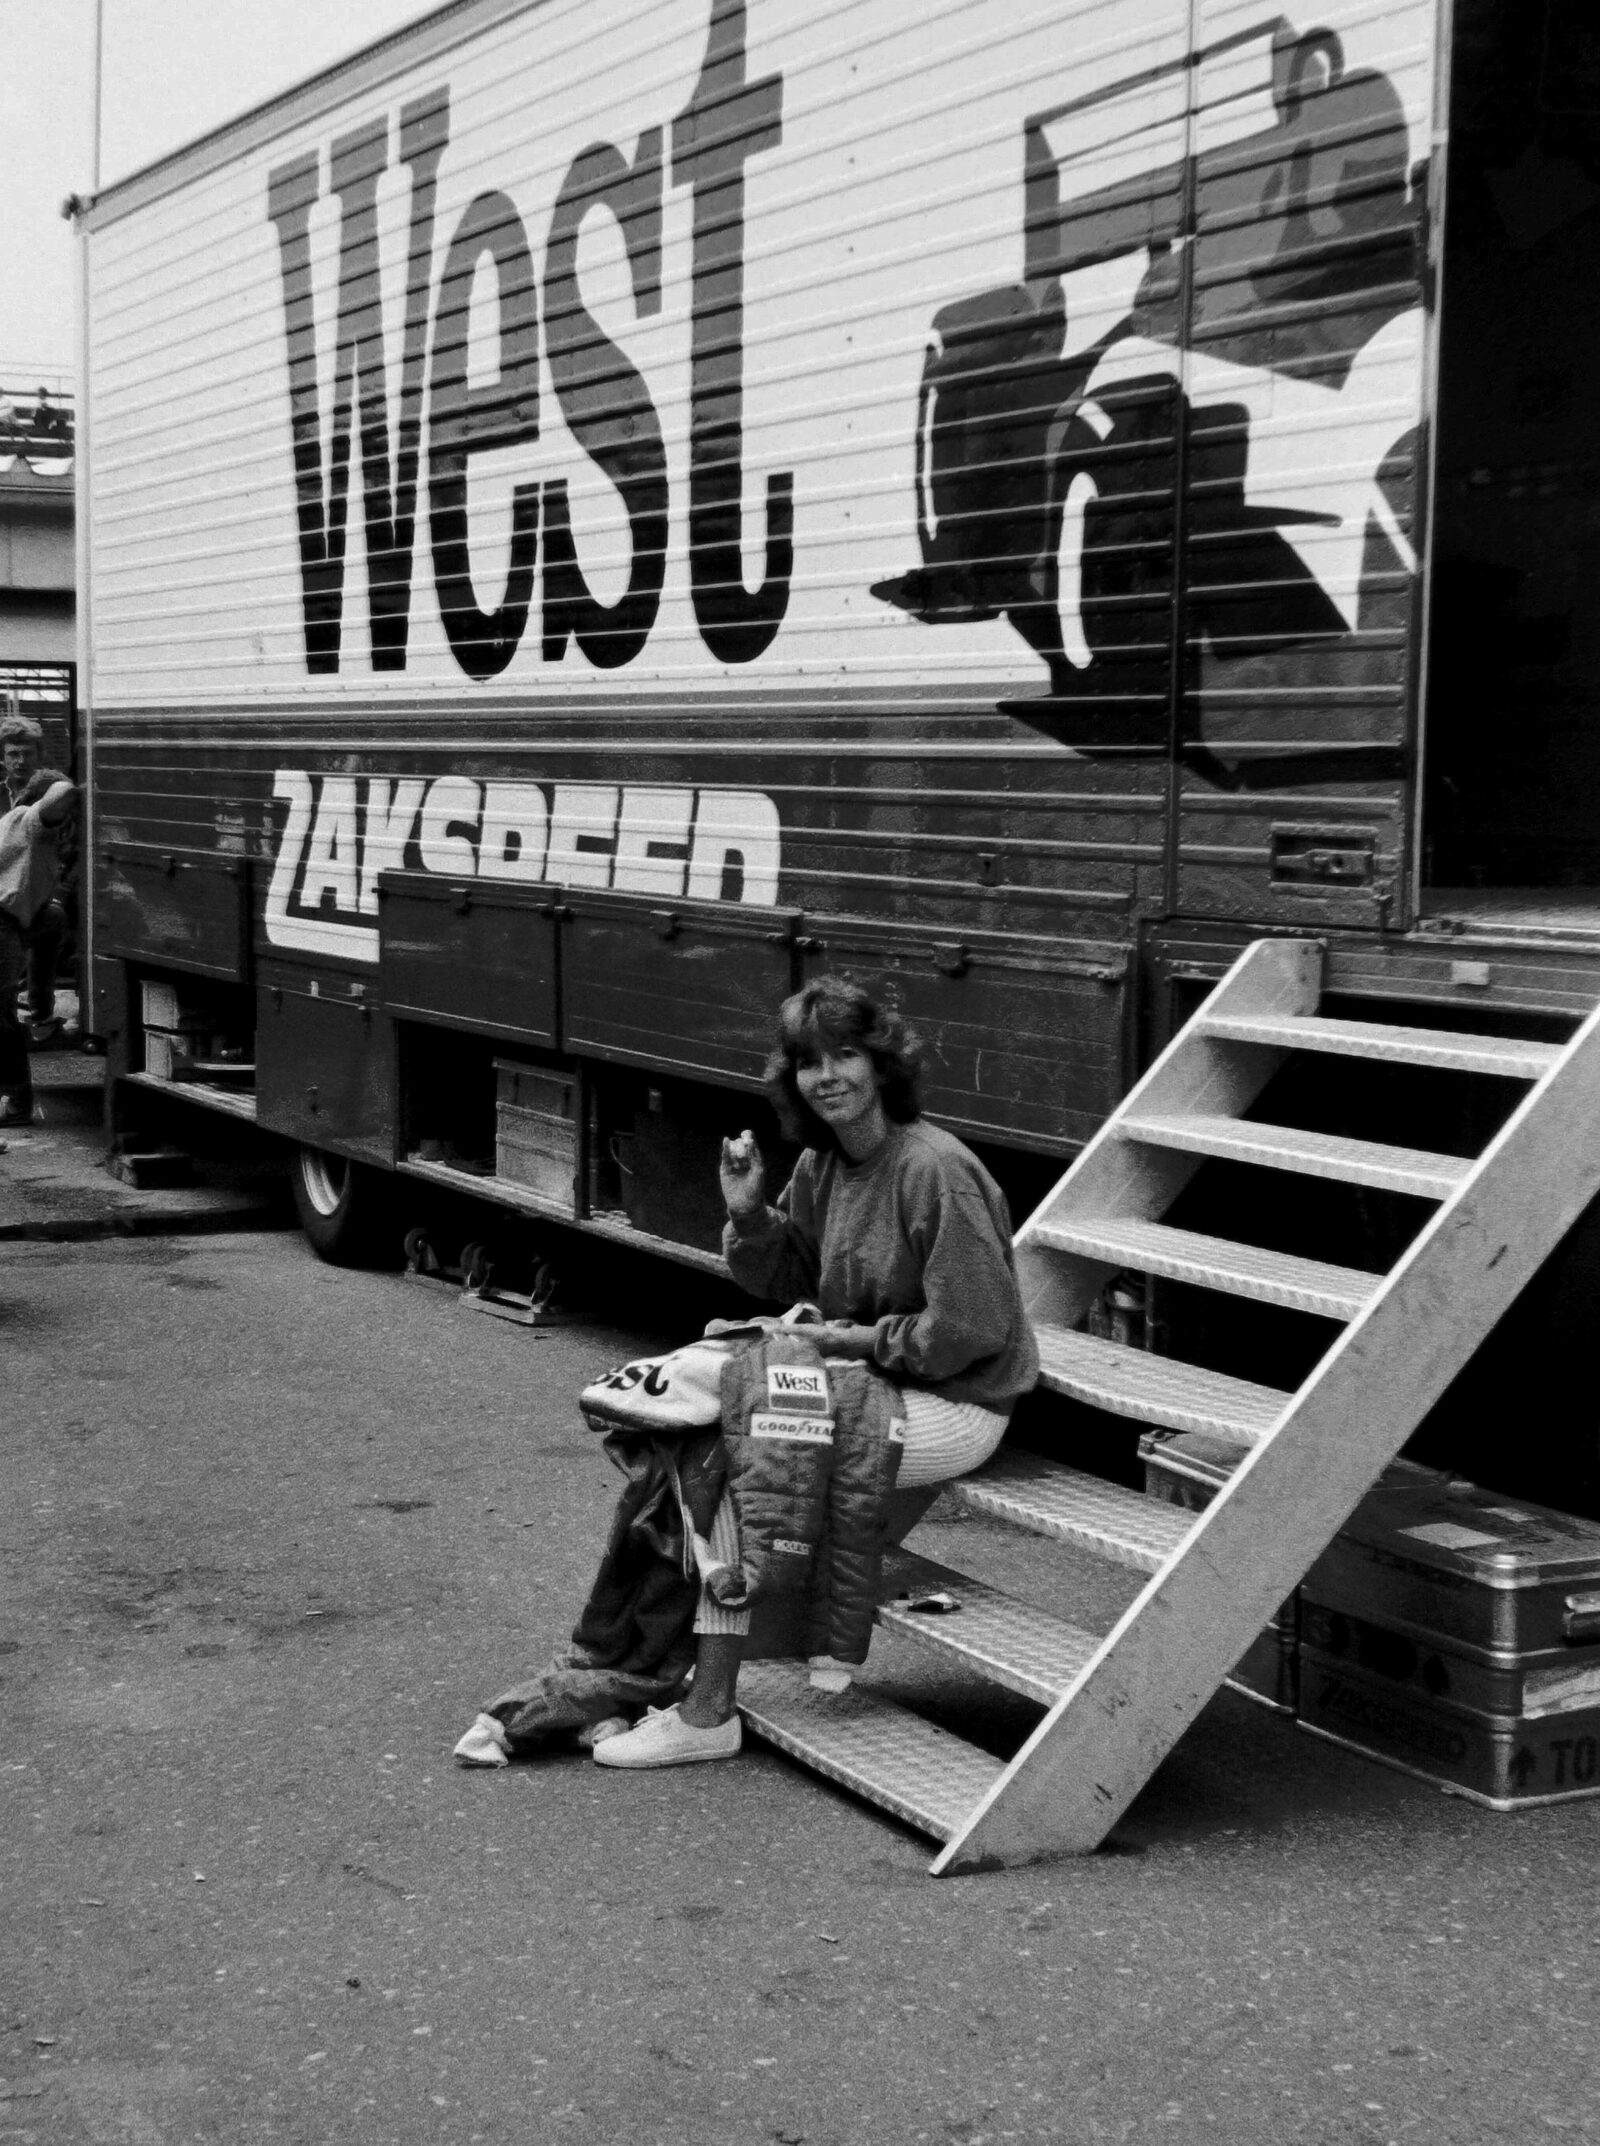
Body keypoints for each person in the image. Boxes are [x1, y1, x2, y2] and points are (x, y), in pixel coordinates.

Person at [593, 976, 1040, 1769]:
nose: (827, 1076)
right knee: (700, 1443)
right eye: (809, 1061)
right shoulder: (822, 1164)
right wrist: (747, 1213)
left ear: (882, 1064)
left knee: (740, 1451)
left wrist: (848, 1341)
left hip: (957, 1401)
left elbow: (970, 1331)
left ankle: (707, 1710)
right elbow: (787, 1279)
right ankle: (645, 1668)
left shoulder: (935, 1169)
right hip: (871, 1382)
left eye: (845, 1055)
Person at [0, 766, 78, 1125]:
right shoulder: (31, 822)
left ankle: (40, 1013)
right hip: (3, 920)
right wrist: (78, 785)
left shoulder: (14, 822)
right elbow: (62, 793)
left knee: (53, 918)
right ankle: (16, 1100)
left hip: (14, 919)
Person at [0, 715, 69, 1045]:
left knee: (54, 916)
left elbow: (69, 853)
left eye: (27, 753)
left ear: (39, 756)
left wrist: (57, 893)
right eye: (13, 753)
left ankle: (40, 1013)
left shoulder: (50, 795)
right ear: (3, 758)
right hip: (5, 893)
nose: (20, 761)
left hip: (40, 893)